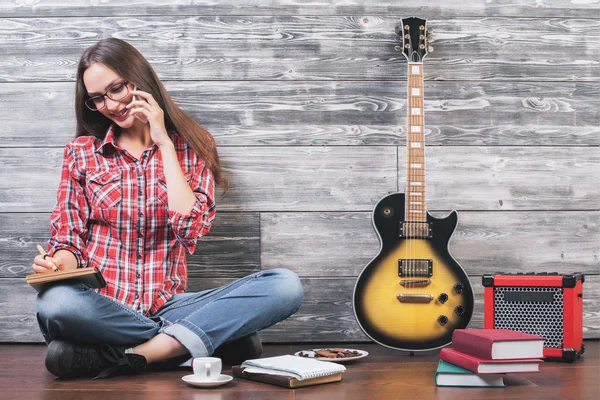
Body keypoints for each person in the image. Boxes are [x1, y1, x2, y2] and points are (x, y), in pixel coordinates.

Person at [31, 38, 304, 380]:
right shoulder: (81, 153)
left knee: (285, 285)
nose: (111, 105)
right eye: (98, 98)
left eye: (116, 88)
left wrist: (163, 142)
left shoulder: (194, 145)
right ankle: (188, 343)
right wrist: (57, 266)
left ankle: (137, 355)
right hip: (103, 307)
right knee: (55, 303)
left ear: (140, 78)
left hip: (171, 305)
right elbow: (69, 239)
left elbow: (191, 229)